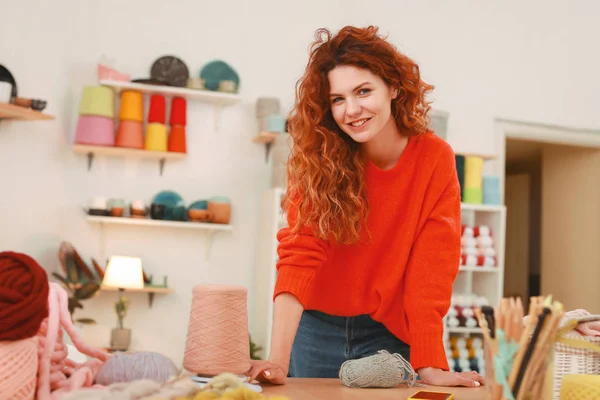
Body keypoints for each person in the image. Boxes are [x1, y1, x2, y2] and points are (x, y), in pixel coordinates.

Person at [246, 25, 484, 388]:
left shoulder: (434, 158)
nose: (351, 110)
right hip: (314, 330)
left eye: (363, 91)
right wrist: (277, 359)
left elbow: (431, 271)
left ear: (393, 87)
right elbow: (299, 257)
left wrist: (430, 362)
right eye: (337, 99)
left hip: (387, 334)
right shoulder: (317, 158)